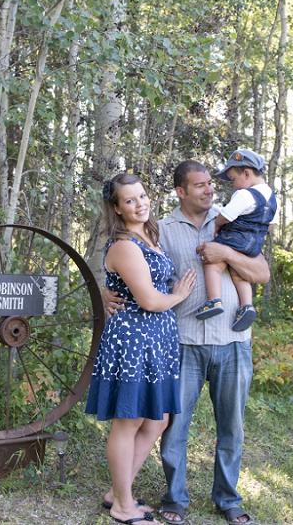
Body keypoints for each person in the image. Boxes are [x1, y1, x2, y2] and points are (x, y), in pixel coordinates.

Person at [102, 160, 270, 525]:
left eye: (212, 184)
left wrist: (225, 253)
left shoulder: (233, 222)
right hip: (182, 342)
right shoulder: (161, 230)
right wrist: (106, 290)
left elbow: (262, 273)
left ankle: (228, 500)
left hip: (233, 340)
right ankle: (174, 499)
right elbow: (136, 273)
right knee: (171, 426)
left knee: (232, 426)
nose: (210, 190)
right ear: (181, 191)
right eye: (200, 185)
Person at [86, 172, 197, 525]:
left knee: (157, 419)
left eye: (143, 196)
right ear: (116, 209)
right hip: (133, 341)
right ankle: (122, 506)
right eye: (129, 200)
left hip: (157, 341)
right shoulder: (124, 245)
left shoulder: (150, 236)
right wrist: (178, 295)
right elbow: (148, 300)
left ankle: (118, 492)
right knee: (129, 420)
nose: (139, 204)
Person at [195, 149, 278, 333]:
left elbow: (226, 215)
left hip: (234, 236)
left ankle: (214, 300)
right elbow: (271, 224)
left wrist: (217, 225)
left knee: (213, 265)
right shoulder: (272, 198)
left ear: (247, 173)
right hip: (254, 243)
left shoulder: (245, 195)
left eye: (233, 179)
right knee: (239, 275)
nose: (234, 185)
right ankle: (247, 306)